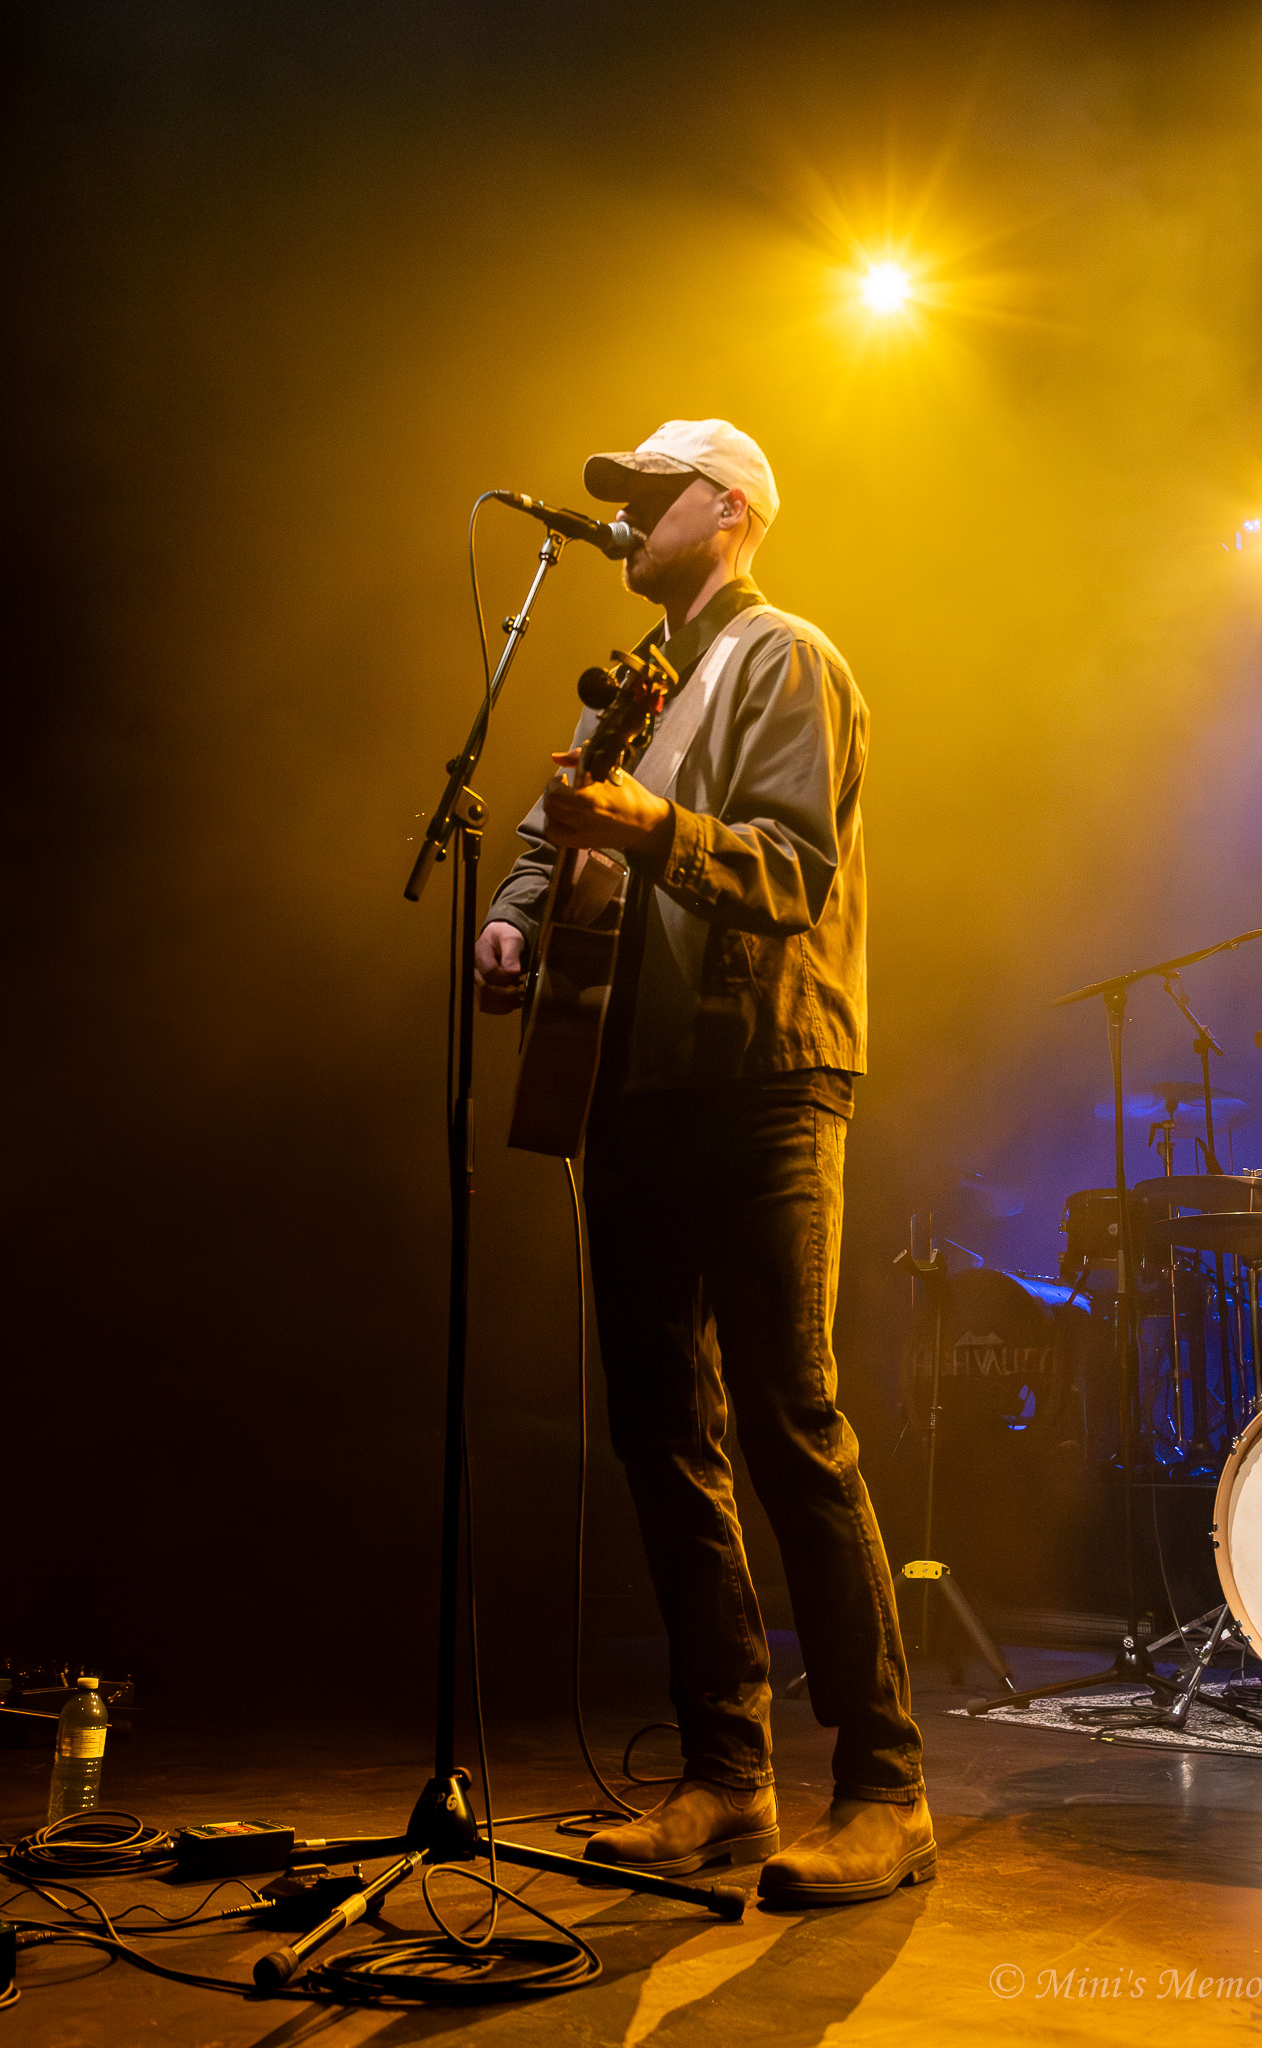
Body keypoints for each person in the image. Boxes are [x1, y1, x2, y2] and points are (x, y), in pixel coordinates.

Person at [474, 419, 932, 1908]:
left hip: (767, 1081)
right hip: (638, 1088)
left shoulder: (786, 658)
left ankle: (887, 1788)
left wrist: (650, 826)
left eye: (647, 497)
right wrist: (514, 918)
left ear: (727, 510)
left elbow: (789, 873)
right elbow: (550, 839)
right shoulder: (645, 687)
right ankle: (729, 1775)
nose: (623, 519)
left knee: (793, 1424)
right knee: (662, 1434)